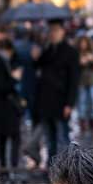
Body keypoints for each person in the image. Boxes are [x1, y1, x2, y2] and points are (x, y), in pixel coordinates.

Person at [34, 20, 80, 163]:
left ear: (62, 32)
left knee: (62, 137)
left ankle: (64, 168)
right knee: (49, 138)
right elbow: (39, 67)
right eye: (50, 31)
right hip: (46, 101)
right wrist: (36, 57)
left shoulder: (71, 52)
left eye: (55, 30)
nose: (52, 34)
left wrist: (69, 103)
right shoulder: (47, 50)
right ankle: (51, 166)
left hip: (61, 102)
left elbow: (74, 80)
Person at [0, 37, 24, 178]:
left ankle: (4, 170)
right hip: (6, 107)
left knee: (3, 139)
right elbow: (2, 87)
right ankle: (12, 168)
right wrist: (15, 78)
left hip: (0, 107)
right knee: (14, 137)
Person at [76, 37, 93, 132]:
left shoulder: (92, 53)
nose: (83, 45)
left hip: (91, 80)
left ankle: (92, 119)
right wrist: (81, 63)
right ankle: (82, 121)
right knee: (82, 101)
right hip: (81, 81)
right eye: (82, 43)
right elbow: (74, 68)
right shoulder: (77, 54)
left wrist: (92, 60)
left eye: (85, 43)